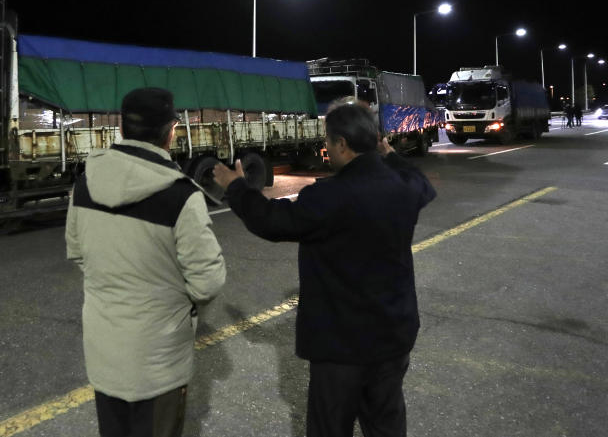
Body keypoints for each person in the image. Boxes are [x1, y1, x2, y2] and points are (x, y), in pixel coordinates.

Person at [213, 100, 436, 437]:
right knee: (386, 424)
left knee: (330, 427)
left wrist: (236, 187)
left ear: (342, 145)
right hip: (392, 337)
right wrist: (389, 153)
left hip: (340, 347)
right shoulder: (403, 187)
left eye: (329, 142)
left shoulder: (330, 196)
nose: (326, 149)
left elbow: (271, 221)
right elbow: (418, 178)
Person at [66, 87, 226, 437]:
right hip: (159, 363)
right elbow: (208, 281)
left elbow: (78, 253)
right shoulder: (181, 196)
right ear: (171, 133)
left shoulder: (84, 184)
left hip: (104, 351)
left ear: (122, 130)